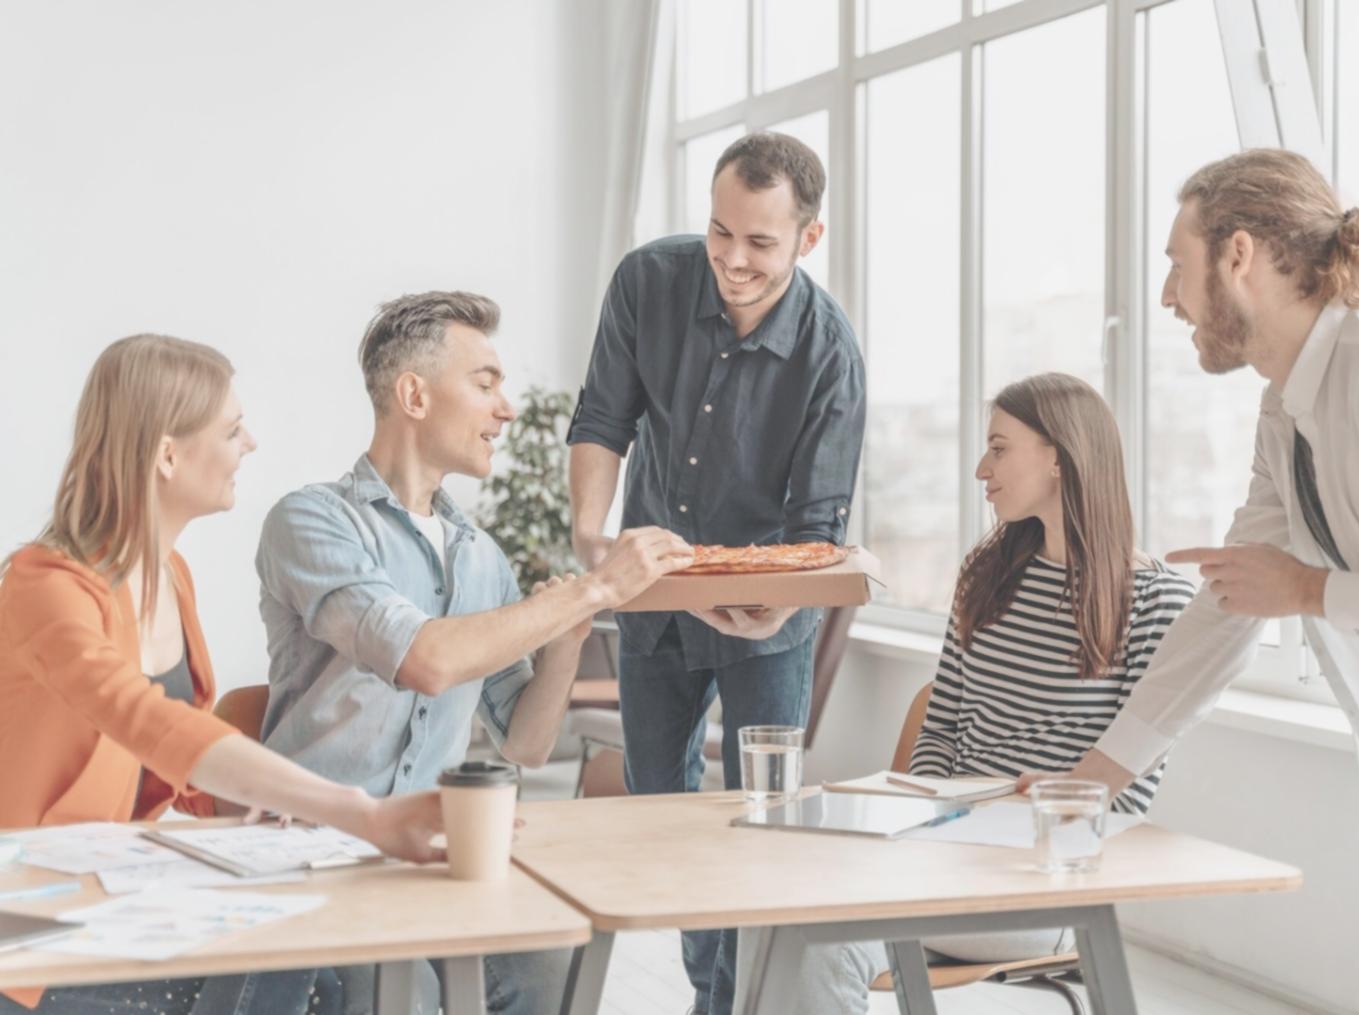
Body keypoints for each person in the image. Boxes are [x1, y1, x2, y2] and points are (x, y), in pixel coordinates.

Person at [1019, 148, 1359, 1014]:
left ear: (1239, 254)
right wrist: (1099, 774)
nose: (1169, 297)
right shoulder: (1287, 405)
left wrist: (1310, 592)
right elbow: (1232, 599)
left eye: (1177, 266)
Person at [255, 291, 692, 1014]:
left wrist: (565, 643)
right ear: (414, 395)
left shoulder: (480, 556)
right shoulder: (313, 521)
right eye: (485, 383)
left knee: (557, 961)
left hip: (437, 852)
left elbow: (522, 740)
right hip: (321, 851)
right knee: (401, 987)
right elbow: (423, 658)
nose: (507, 408)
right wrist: (588, 590)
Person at [0, 334, 446, 1014]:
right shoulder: (45, 585)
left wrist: (248, 808)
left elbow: (157, 768)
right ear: (167, 454)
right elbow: (146, 720)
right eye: (232, 429)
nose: (251, 444)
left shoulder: (170, 576)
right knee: (297, 978)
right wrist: (362, 814)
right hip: (28, 924)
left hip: (111, 886)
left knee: (342, 971)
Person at [745, 373, 1194, 1013]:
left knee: (819, 941)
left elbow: (1129, 795)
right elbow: (943, 726)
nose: (983, 469)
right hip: (937, 854)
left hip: (1045, 881)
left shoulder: (1156, 601)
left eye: (1000, 448)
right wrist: (923, 821)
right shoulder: (987, 574)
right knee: (759, 906)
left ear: (1060, 459)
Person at [567, 130, 866, 1015]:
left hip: (768, 626)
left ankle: (724, 1004)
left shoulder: (830, 355)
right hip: (654, 604)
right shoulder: (648, 281)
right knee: (663, 811)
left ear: (808, 238)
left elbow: (817, 532)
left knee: (755, 824)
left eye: (760, 242)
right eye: (719, 231)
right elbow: (602, 417)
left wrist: (774, 613)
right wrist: (592, 539)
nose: (732, 259)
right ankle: (713, 987)